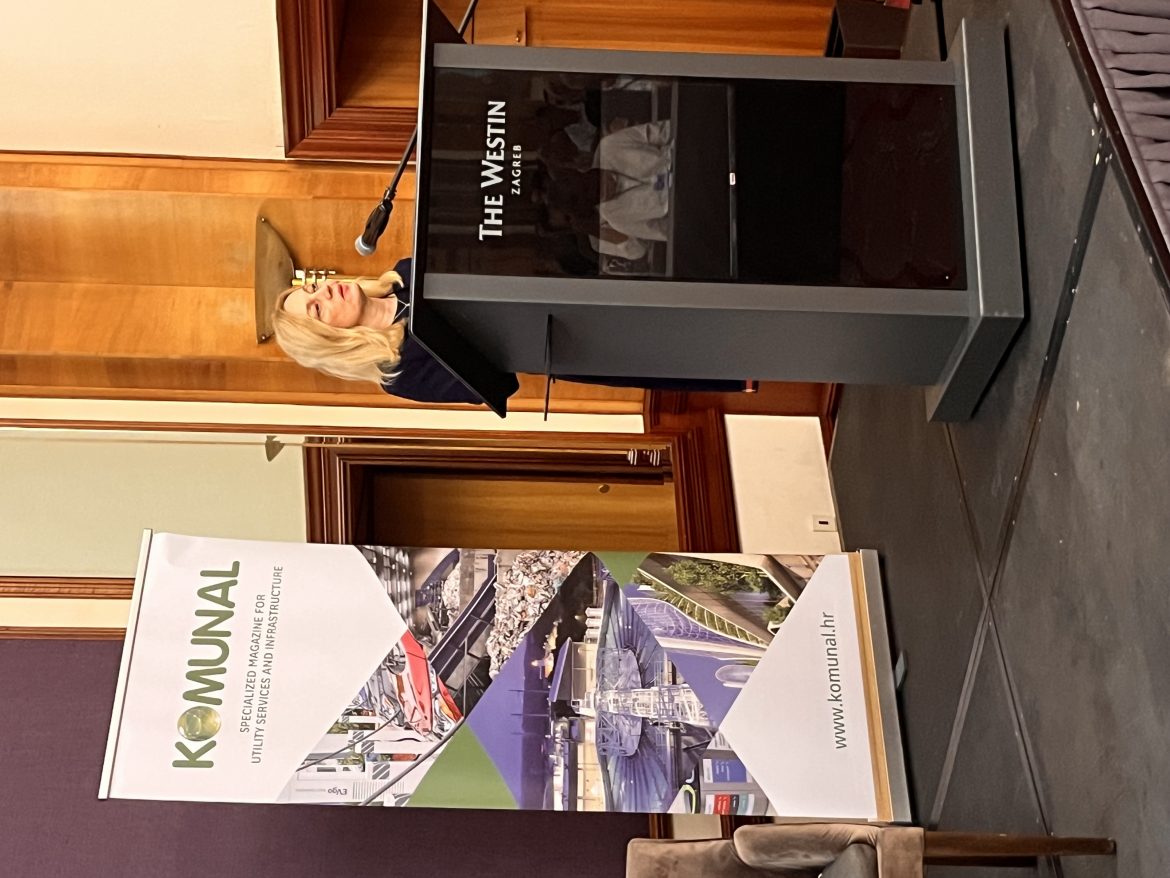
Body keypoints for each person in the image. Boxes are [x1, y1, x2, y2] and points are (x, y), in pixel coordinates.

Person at [273, 258, 749, 407]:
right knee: (695, 343)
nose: (326, 290)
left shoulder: (407, 269)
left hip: (573, 284)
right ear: (325, 341)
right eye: (316, 308)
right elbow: (496, 384)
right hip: (574, 340)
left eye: (314, 288)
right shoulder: (399, 373)